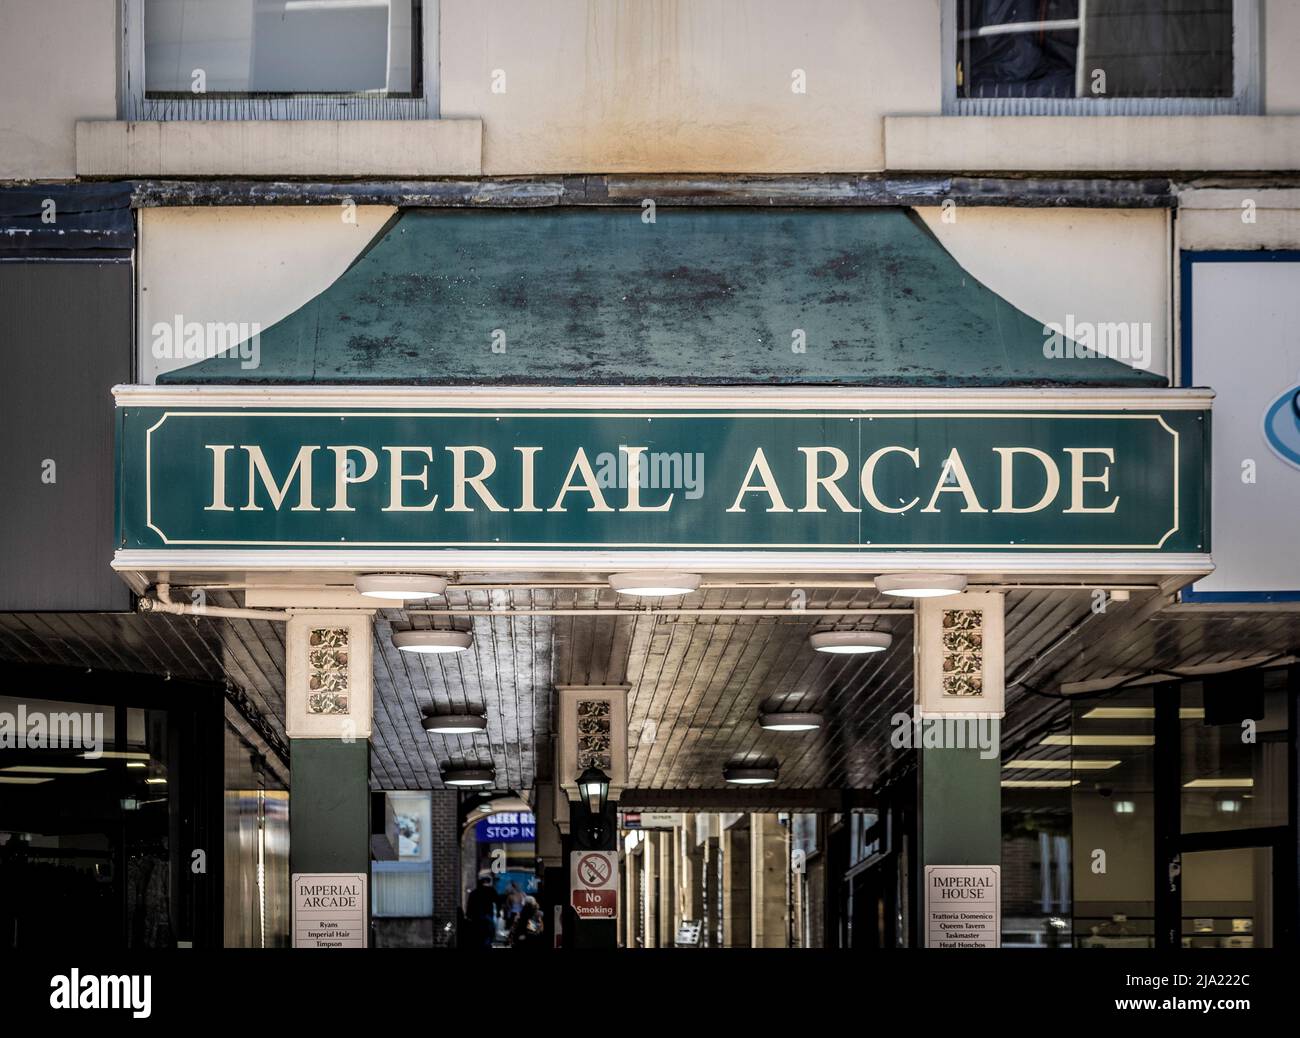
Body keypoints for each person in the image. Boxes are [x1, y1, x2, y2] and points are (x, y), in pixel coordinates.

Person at [464, 874, 498, 949]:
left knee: (478, 938)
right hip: (488, 917)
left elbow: (469, 906)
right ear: (488, 882)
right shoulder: (491, 891)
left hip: (476, 919)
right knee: (488, 937)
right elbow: (498, 901)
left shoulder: (474, 893)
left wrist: (468, 916)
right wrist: (498, 914)